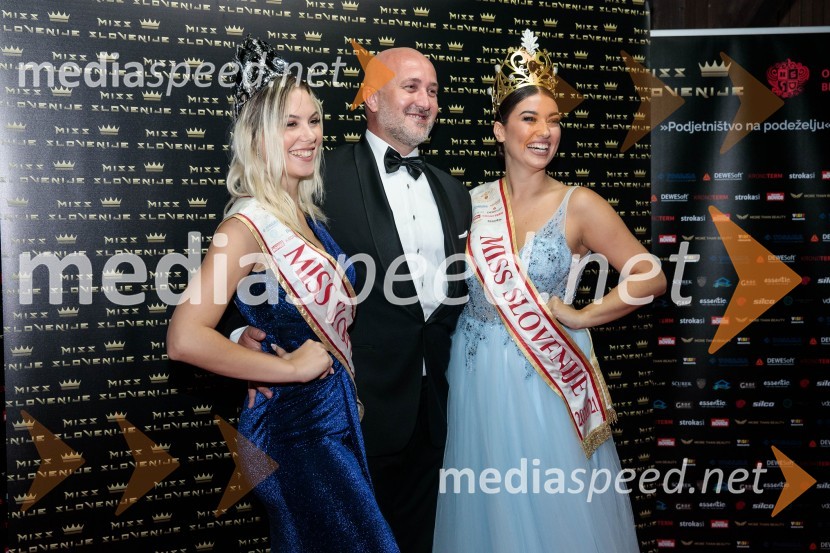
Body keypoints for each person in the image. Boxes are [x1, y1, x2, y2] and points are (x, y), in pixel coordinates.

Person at [432, 30, 666, 553]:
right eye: (530, 119)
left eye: (554, 119)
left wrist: (586, 315)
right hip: (475, 382)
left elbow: (650, 275)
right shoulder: (468, 204)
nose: (545, 131)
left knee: (555, 508)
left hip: (547, 382)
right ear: (499, 130)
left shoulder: (580, 203)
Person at [167, 37, 399, 553]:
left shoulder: (306, 218)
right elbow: (183, 338)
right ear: (256, 137)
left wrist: (248, 334)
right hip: (295, 436)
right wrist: (289, 369)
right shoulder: (245, 226)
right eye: (289, 124)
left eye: (313, 120)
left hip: (332, 426)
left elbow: (279, 314)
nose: (308, 135)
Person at [238, 47, 471, 553]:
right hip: (349, 416)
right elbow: (253, 252)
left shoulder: (454, 192)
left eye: (432, 90)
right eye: (410, 86)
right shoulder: (317, 175)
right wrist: (245, 337)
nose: (425, 100)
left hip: (436, 414)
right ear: (370, 97)